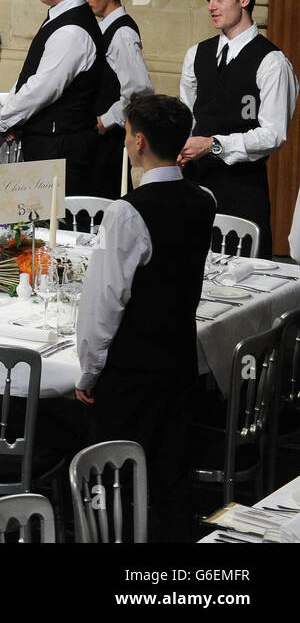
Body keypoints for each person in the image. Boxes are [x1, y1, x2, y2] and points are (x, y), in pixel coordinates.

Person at [75, 93, 214, 542]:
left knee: (112, 479)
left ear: (137, 141)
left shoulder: (127, 213)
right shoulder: (203, 199)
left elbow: (104, 303)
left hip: (133, 371)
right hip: (178, 360)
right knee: (171, 476)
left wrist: (89, 370)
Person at [179, 0, 298, 258]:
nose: (211, 7)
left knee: (243, 278)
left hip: (242, 188)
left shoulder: (272, 62)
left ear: (244, 0)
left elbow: (273, 134)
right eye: (208, 0)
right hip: (194, 184)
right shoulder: (196, 54)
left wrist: (214, 144)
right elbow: (187, 115)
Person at [0, 0, 117, 197]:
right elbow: (31, 74)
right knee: (29, 227)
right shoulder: (61, 16)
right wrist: (14, 116)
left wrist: (4, 120)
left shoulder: (72, 31)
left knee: (46, 230)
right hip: (47, 142)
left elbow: (43, 88)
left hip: (59, 149)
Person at [84, 0, 153, 198]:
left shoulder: (122, 33)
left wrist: (107, 119)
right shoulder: (106, 29)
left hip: (110, 140)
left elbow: (139, 90)